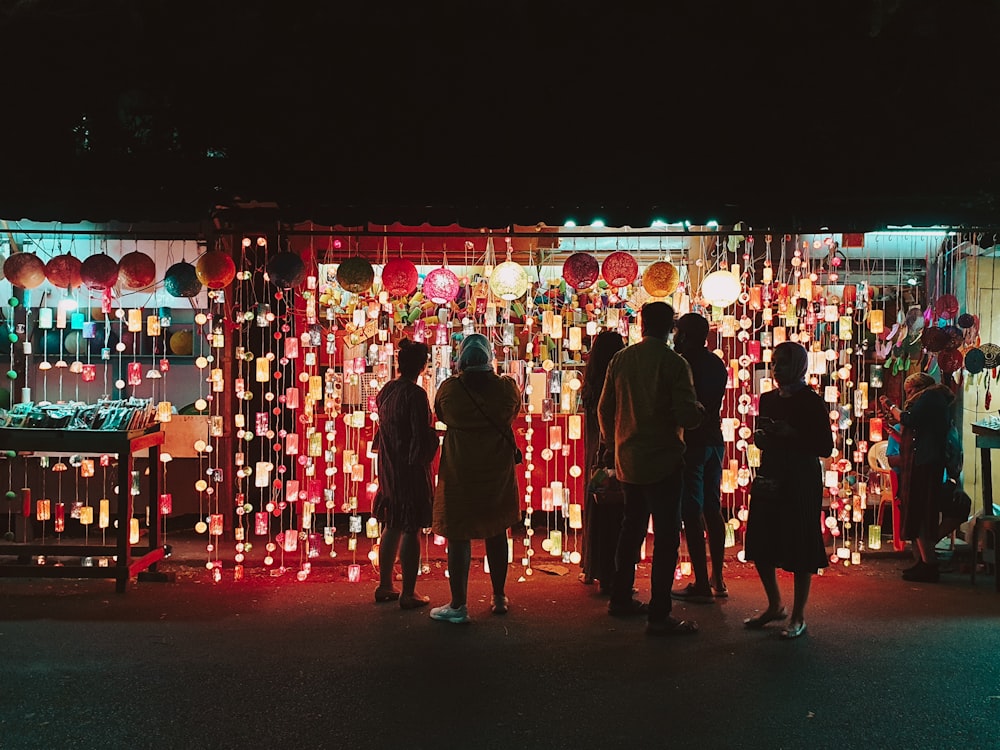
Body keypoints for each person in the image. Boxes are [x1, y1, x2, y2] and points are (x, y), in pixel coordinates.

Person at [598, 301, 704, 636]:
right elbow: (688, 414)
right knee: (667, 536)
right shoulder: (675, 364)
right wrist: (698, 411)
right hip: (664, 461)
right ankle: (659, 613)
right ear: (670, 327)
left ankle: (620, 597)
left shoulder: (621, 359)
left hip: (629, 460)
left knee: (631, 530)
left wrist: (614, 444)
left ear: (641, 325)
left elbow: (604, 409)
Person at [429, 333, 522, 624]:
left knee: (459, 535)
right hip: (496, 470)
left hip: (461, 469)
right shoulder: (506, 389)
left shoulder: (450, 390)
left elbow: (440, 413)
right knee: (497, 531)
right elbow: (514, 410)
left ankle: (459, 604)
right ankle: (498, 595)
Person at [744, 341, 833, 640]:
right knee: (761, 536)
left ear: (797, 366)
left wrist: (792, 434)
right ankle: (775, 604)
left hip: (800, 476)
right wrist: (763, 437)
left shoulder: (810, 401)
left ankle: (798, 615)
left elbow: (825, 446)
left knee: (800, 542)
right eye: (774, 362)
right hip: (772, 471)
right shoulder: (768, 399)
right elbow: (766, 434)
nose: (776, 368)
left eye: (782, 363)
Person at [371, 338, 440, 609]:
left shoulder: (387, 390)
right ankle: (409, 592)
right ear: (422, 366)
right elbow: (420, 435)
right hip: (409, 466)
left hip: (388, 464)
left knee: (393, 523)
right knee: (411, 526)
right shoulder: (415, 395)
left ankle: (385, 584)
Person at [670, 312, 729, 604]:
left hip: (691, 441)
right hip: (714, 440)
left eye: (678, 331)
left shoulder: (681, 364)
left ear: (686, 335)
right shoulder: (717, 364)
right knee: (712, 507)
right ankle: (718, 578)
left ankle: (702, 582)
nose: (674, 336)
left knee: (692, 510)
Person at [880, 372, 956, 582]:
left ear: (921, 387)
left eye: (910, 391)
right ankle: (924, 560)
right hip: (923, 460)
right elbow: (915, 429)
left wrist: (891, 406)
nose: (909, 396)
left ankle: (929, 564)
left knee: (920, 509)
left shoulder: (930, 397)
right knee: (917, 510)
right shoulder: (934, 400)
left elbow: (909, 419)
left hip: (924, 462)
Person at [579, 330, 626, 593]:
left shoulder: (591, 382)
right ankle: (611, 574)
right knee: (617, 512)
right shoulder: (617, 380)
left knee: (596, 505)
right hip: (614, 451)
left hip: (594, 455)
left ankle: (591, 567)